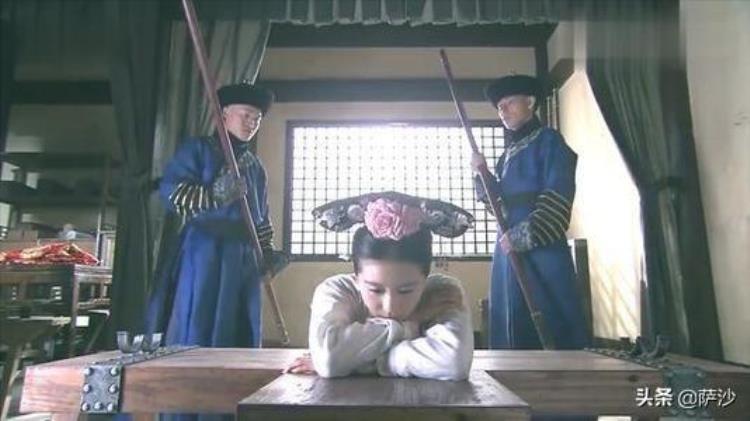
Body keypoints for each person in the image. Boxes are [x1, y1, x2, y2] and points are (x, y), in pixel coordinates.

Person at [285, 192, 475, 380]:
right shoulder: (336, 291)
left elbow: (454, 364)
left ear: (425, 280)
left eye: (405, 290)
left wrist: (364, 362)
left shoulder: (443, 292)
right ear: (356, 279)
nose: (390, 306)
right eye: (375, 290)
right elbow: (329, 361)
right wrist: (406, 329)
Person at [146, 81, 280, 349]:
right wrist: (214, 195)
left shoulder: (254, 166)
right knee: (199, 315)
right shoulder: (198, 149)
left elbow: (261, 216)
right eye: (246, 115)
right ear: (224, 114)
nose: (252, 123)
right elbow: (171, 194)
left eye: (257, 119)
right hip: (204, 248)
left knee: (239, 323)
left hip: (243, 253)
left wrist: (266, 252)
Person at [472, 75, 590, 350]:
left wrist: (523, 236)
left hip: (541, 244)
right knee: (510, 311)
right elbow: (498, 207)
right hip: (506, 244)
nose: (503, 111)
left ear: (530, 102)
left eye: (509, 103)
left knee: (551, 309)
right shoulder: (506, 156)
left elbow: (558, 194)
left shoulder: (550, 141)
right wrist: (482, 174)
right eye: (499, 107)